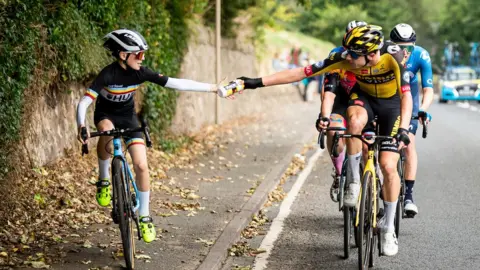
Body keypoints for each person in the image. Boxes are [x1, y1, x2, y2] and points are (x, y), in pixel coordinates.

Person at [236, 24, 412, 256]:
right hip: (364, 99)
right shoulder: (344, 58)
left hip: (391, 106)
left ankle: (388, 229)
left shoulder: (392, 57)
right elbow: (300, 73)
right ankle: (353, 182)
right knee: (354, 120)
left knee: (389, 166)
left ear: (371, 54)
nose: (347, 57)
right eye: (347, 52)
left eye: (353, 54)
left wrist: (405, 128)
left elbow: (406, 95)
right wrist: (254, 82)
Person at [76, 29, 222, 243]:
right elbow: (85, 101)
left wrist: (212, 88)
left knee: (142, 166)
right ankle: (104, 179)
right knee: (106, 131)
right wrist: (81, 126)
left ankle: (144, 216)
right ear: (123, 55)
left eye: (143, 54)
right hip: (106, 115)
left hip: (128, 118)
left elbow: (177, 83)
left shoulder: (141, 72)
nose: (142, 58)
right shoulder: (107, 74)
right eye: (139, 54)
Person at [316, 20, 367, 202]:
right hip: (340, 100)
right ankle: (339, 174)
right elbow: (328, 92)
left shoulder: (371, 56)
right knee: (334, 132)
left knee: (369, 144)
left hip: (364, 101)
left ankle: (373, 183)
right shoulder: (337, 56)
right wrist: (324, 116)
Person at [389, 23, 433, 217]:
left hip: (411, 98)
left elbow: (428, 89)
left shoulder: (421, 55)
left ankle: (408, 196)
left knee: (408, 144)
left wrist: (423, 109)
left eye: (409, 47)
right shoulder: (384, 53)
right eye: (400, 47)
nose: (405, 52)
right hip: (388, 97)